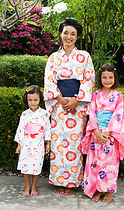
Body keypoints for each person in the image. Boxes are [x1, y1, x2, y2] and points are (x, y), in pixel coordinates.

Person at [44, 18, 95, 195]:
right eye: (66, 32)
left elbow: (89, 80)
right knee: (58, 143)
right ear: (61, 34)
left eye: (73, 34)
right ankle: (58, 180)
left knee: (74, 144)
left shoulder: (84, 56)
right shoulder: (53, 57)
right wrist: (60, 98)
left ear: (77, 36)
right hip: (59, 106)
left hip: (77, 106)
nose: (69, 36)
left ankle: (72, 183)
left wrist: (76, 101)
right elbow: (49, 80)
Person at [81, 63, 124, 202]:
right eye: (104, 77)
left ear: (115, 78)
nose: (107, 80)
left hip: (111, 134)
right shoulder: (95, 95)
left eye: (110, 77)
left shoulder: (118, 96)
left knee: (109, 163)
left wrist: (107, 132)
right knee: (95, 162)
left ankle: (108, 190)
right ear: (100, 79)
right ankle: (97, 189)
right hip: (96, 133)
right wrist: (96, 131)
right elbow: (92, 113)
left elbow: (118, 115)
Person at [15, 85, 51, 197]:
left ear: (40, 99)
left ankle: (34, 187)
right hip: (27, 143)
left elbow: (47, 129)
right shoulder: (25, 114)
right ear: (27, 100)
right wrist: (19, 145)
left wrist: (48, 143)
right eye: (30, 100)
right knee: (26, 166)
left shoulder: (45, 113)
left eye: (35, 100)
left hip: (38, 143)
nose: (33, 103)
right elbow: (20, 129)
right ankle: (27, 187)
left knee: (36, 166)